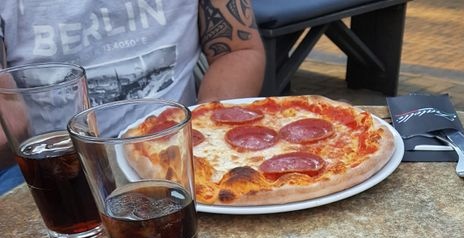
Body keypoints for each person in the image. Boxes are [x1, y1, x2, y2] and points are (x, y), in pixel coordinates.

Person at [0, 0, 266, 193]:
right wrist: (8, 127)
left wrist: (208, 140)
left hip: (180, 159)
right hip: (50, 165)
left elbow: (238, 50)